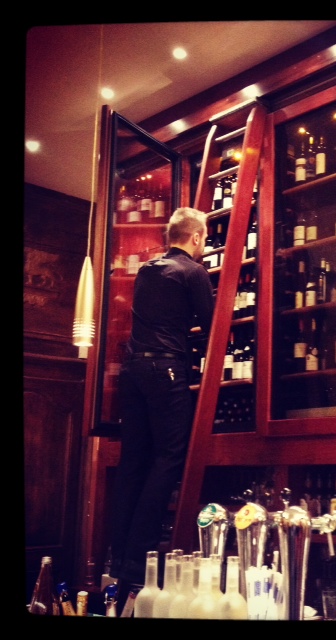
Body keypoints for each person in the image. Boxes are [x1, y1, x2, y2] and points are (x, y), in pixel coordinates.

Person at [109, 207, 215, 596]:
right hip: (166, 369)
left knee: (133, 463)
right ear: (196, 237)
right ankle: (139, 562)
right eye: (205, 239)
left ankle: (118, 560)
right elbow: (213, 323)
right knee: (169, 457)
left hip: (133, 371)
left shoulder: (147, 270)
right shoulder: (193, 272)